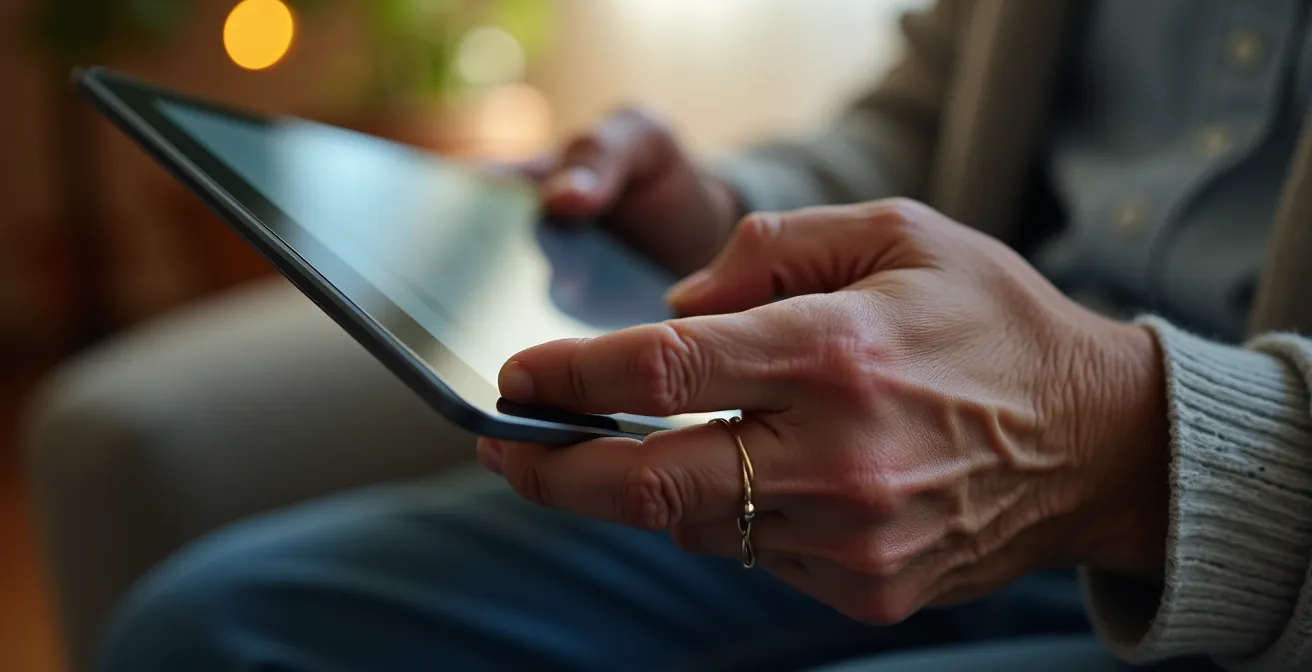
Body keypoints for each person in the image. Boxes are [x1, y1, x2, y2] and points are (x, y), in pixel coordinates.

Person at [95, 1, 1312, 670]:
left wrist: (1127, 453)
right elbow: (919, 127)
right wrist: (721, 219)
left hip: (1232, 572)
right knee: (209, 630)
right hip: (891, 450)